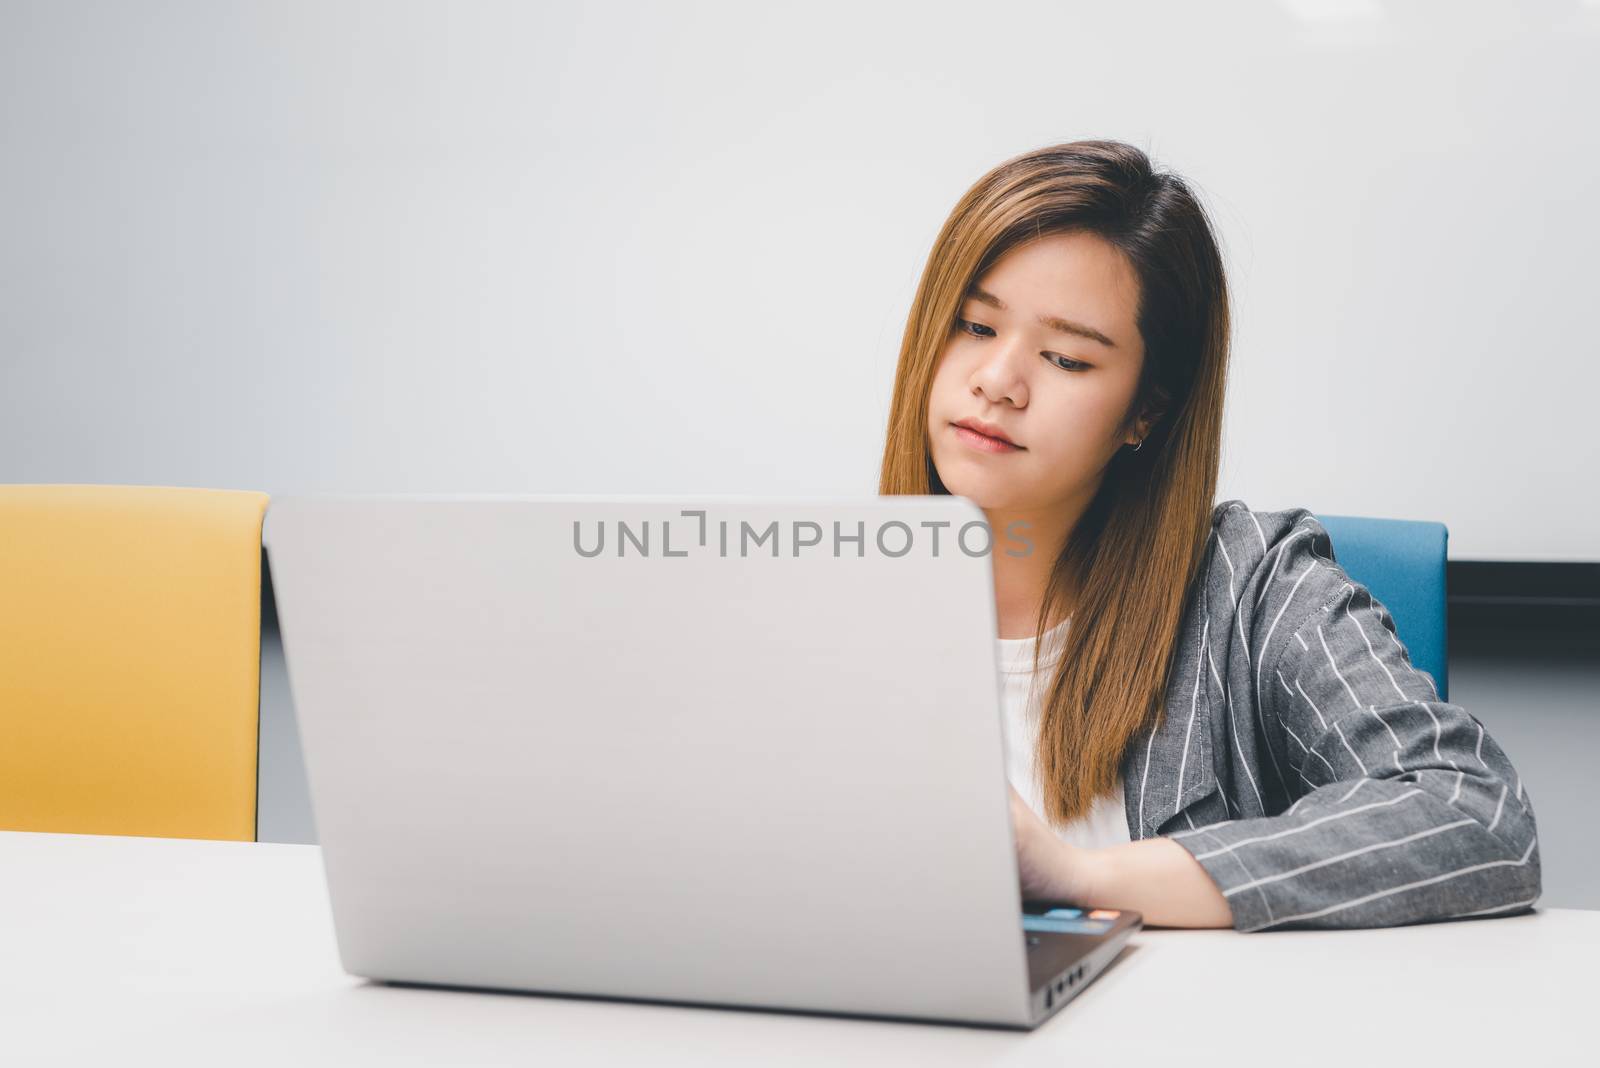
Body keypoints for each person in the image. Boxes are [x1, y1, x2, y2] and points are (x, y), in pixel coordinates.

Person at [876, 140, 1541, 931]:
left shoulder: (1255, 585)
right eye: (973, 327)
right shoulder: (821, 594)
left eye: (1065, 358)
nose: (997, 381)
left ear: (1145, 411)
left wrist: (1080, 875)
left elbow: (1478, 815)